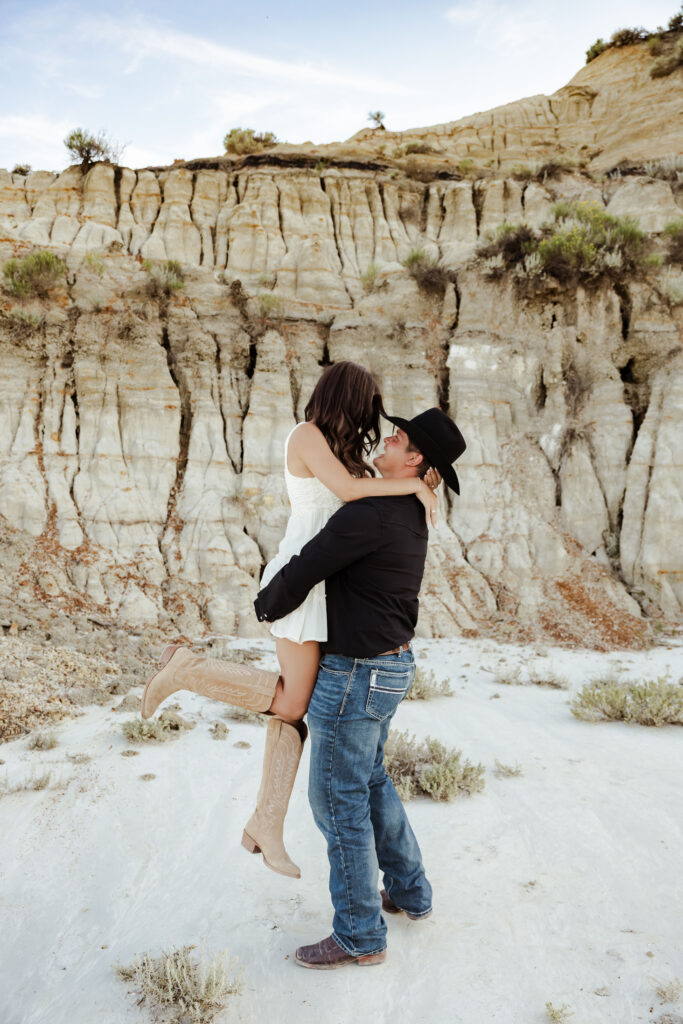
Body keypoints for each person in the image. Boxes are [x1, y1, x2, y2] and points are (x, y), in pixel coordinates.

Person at [141, 362, 440, 879]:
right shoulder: (306, 437)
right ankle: (186, 669)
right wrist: (414, 489)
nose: (373, 418)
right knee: (294, 700)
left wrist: (415, 485)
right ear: (347, 399)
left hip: (331, 585)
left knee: (294, 710)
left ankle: (266, 825)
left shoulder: (351, 458)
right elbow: (348, 495)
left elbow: (363, 497)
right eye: (368, 404)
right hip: (302, 579)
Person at [253, 407, 466, 969]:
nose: (387, 439)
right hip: (392, 668)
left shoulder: (374, 511)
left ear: (414, 459)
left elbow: (308, 566)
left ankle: (359, 936)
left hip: (355, 675)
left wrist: (266, 604)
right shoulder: (408, 511)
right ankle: (411, 892)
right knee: (370, 783)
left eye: (398, 438)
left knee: (337, 803)